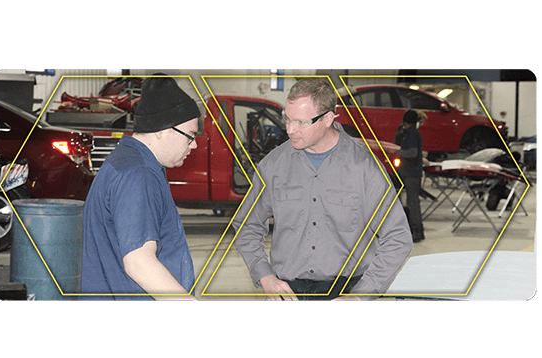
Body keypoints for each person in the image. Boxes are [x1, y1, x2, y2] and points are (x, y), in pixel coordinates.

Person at [232, 78, 413, 301]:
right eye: (287, 119)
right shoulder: (274, 165)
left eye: (300, 122)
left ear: (328, 118)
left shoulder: (364, 167)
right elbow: (247, 225)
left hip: (346, 290)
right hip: (288, 291)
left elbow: (397, 237)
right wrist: (266, 276)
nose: (290, 130)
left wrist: (360, 295)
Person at [81, 76, 201, 300]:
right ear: (162, 129)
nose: (194, 144)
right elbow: (139, 262)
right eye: (191, 135)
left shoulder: (127, 161)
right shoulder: (138, 174)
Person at [395, 109, 425, 243]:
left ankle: (417, 231)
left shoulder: (412, 133)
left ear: (405, 121)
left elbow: (412, 153)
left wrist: (396, 152)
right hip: (408, 172)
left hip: (412, 173)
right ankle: (414, 229)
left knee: (413, 203)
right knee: (411, 202)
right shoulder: (410, 132)